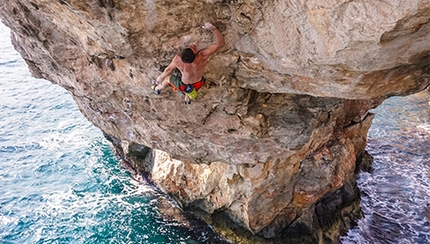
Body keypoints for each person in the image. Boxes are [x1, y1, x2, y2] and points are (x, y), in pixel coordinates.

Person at [152, 22, 225, 104]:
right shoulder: (202, 56)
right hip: (199, 83)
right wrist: (213, 29)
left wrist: (160, 78)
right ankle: (187, 98)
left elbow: (168, 70)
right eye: (192, 48)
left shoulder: (177, 60)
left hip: (185, 85)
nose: (193, 46)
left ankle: (157, 88)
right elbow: (220, 44)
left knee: (168, 79)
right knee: (186, 89)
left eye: (193, 47)